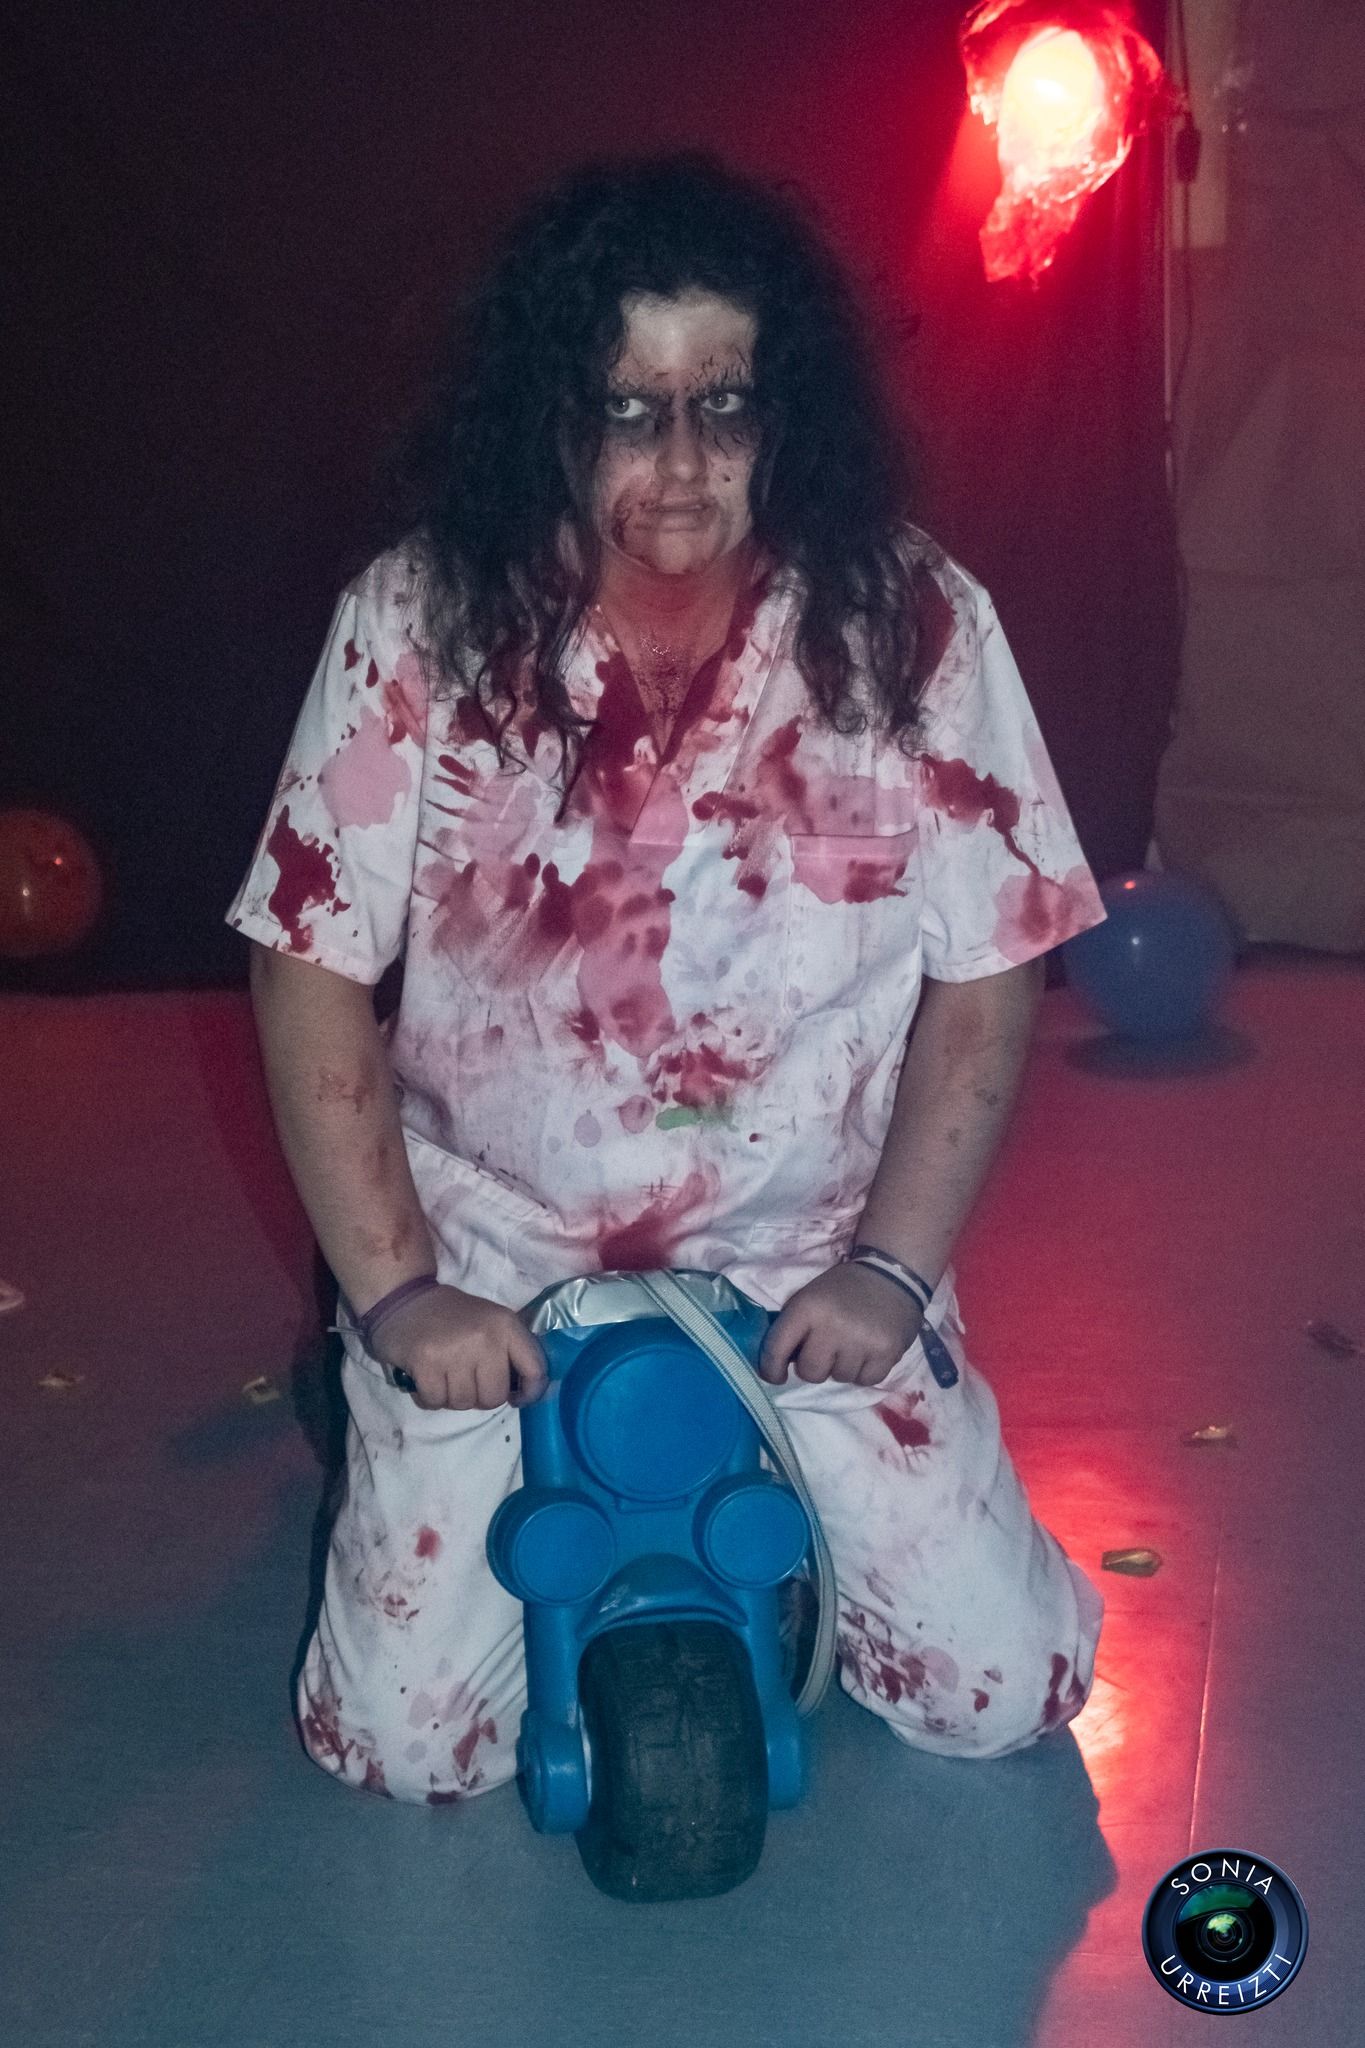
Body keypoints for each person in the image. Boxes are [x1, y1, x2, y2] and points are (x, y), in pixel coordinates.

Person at [229, 153, 1107, 1803]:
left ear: (792, 410)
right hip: (495, 1260)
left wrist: (893, 1269)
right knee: (405, 1754)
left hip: (808, 1259)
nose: (687, 464)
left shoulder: (911, 624)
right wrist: (397, 1292)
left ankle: (807, 1533)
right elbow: (306, 969)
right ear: (549, 416)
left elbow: (988, 977)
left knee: (1004, 1693)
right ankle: (372, 1406)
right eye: (630, 412)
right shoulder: (414, 622)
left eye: (727, 404)